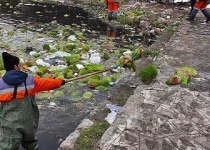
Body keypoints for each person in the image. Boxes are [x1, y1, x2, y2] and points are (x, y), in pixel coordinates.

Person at [0, 52, 66, 150]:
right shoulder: (30, 80)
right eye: (19, 65)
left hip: (9, 124)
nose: (21, 67)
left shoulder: (1, 84)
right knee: (31, 143)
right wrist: (61, 81)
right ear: (15, 66)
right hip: (28, 121)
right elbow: (48, 83)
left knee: (8, 146)